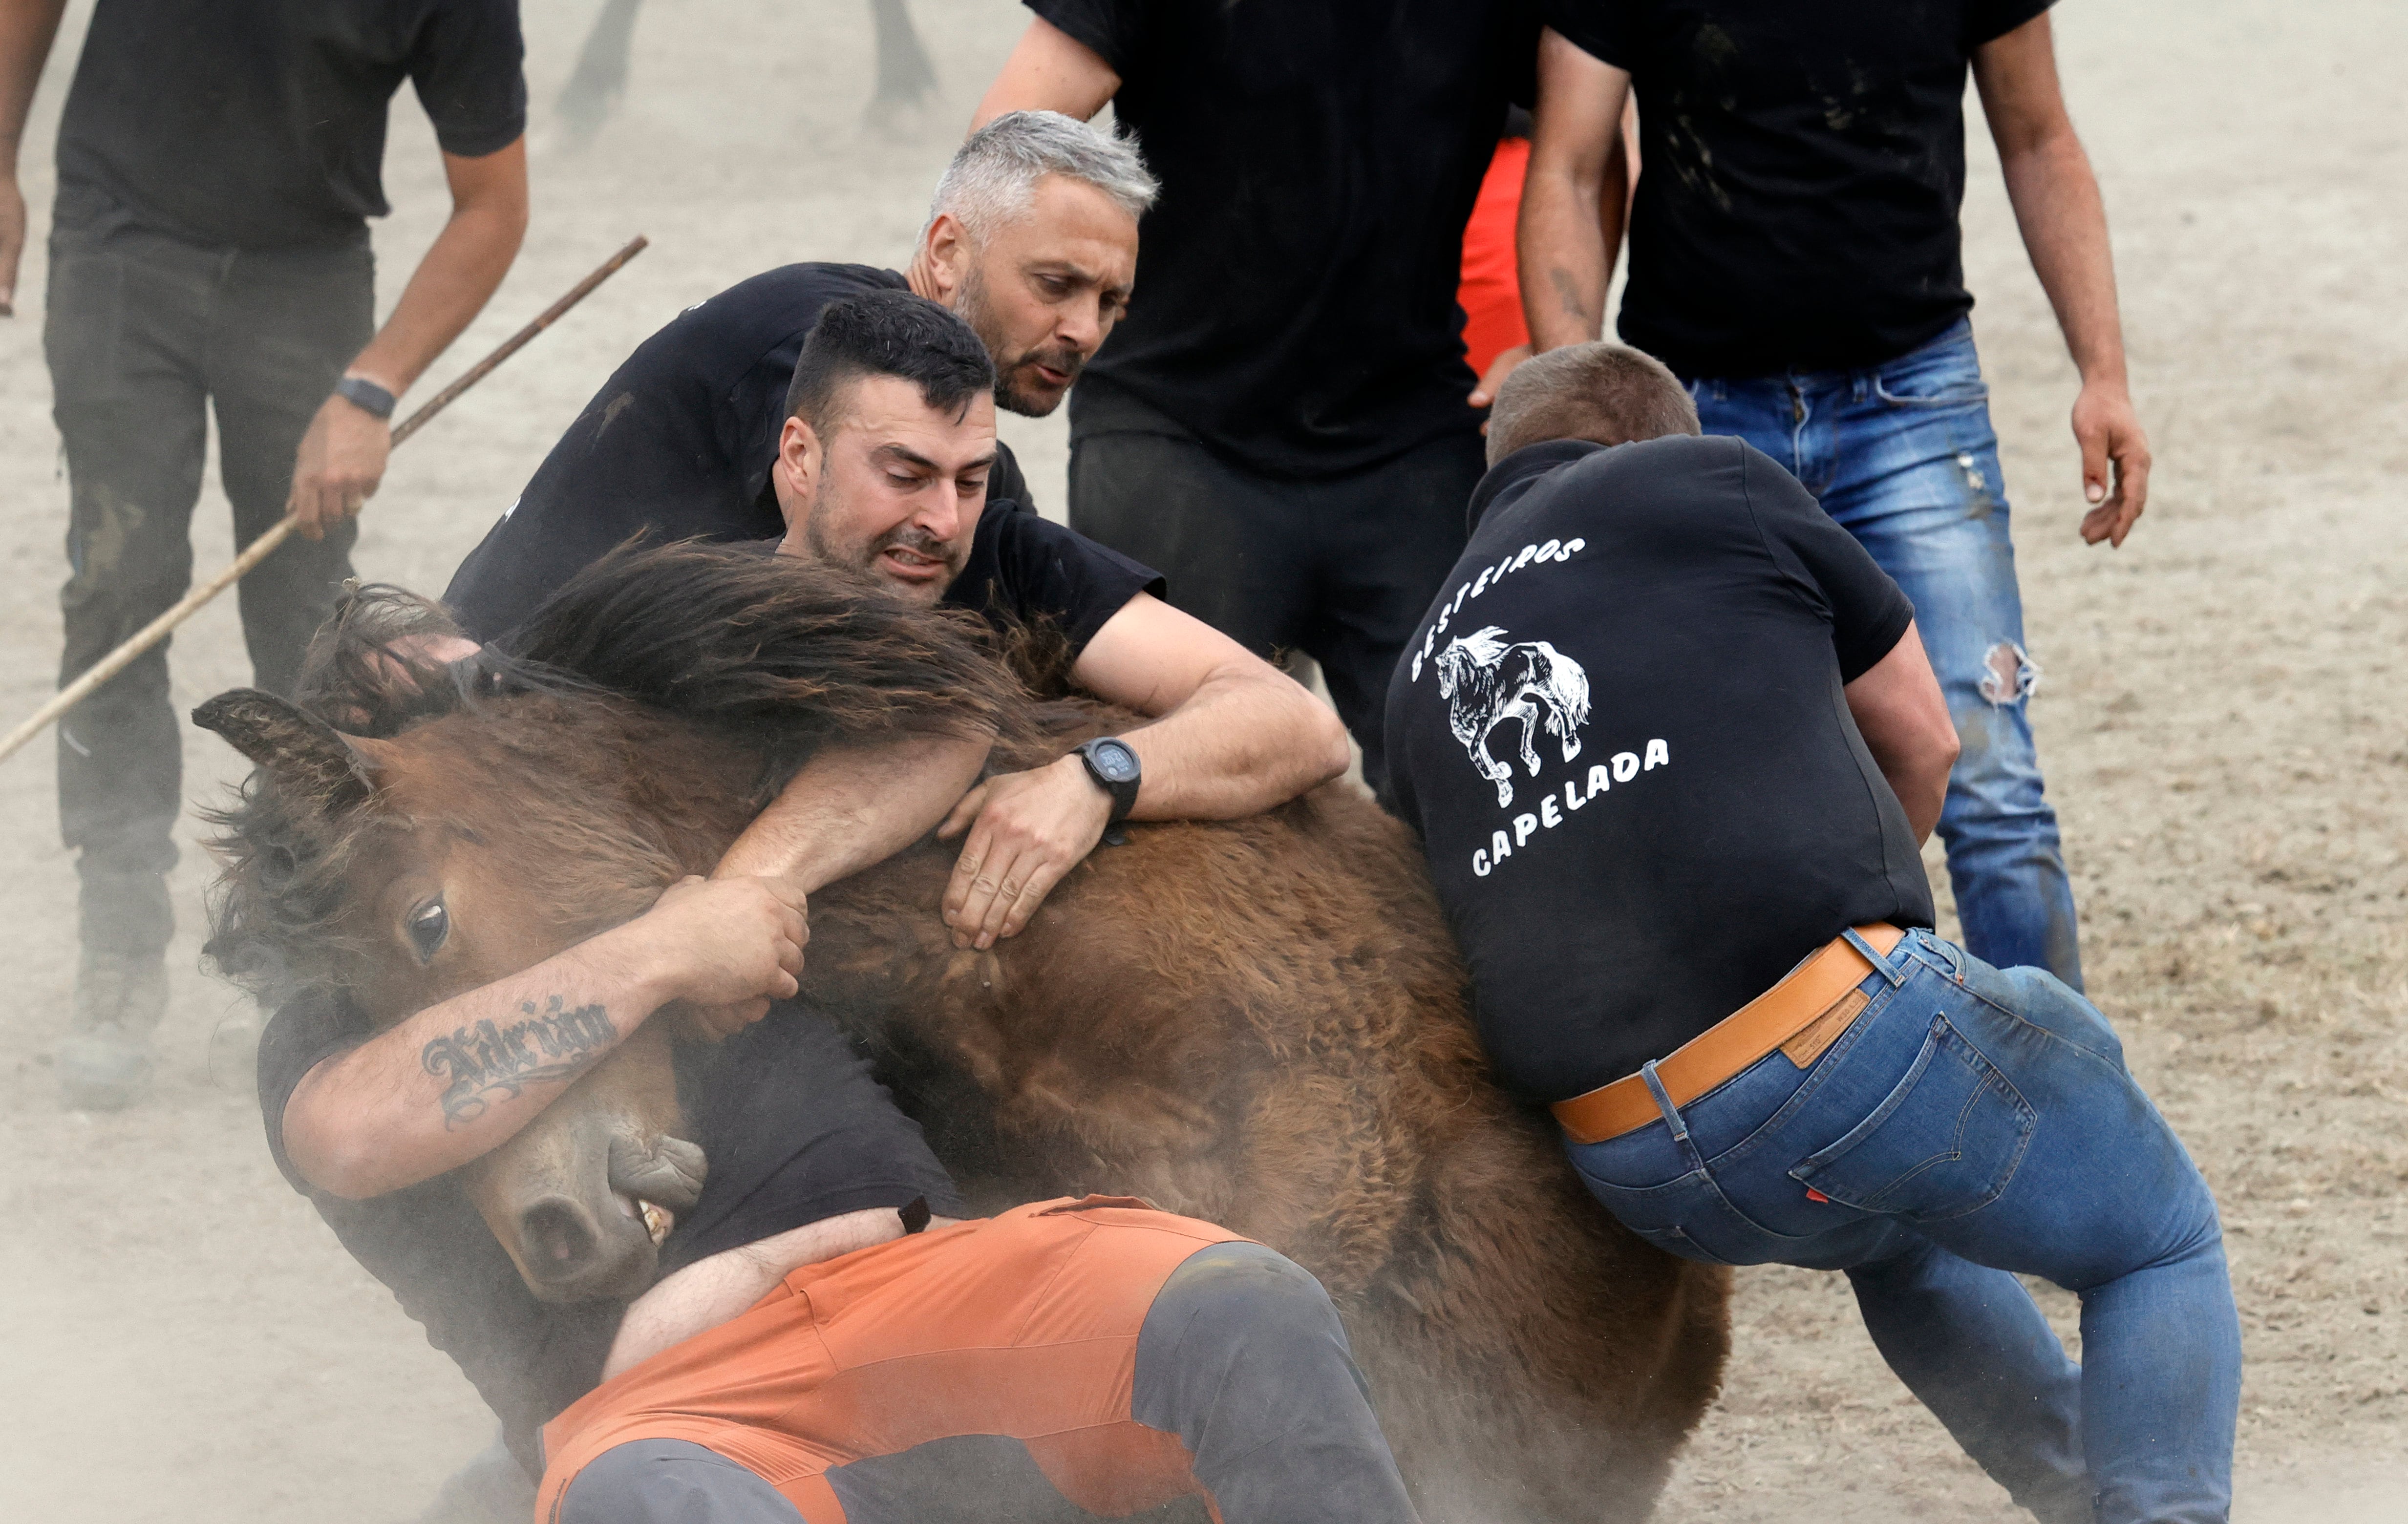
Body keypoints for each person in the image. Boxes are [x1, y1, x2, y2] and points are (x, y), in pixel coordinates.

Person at [1383, 345, 2237, 1524]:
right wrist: (1866, 948)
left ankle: (2077, 1499)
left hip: (1635, 1165)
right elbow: (1923, 739)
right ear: (1654, 434)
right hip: (1830, 1047)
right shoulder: (1707, 479)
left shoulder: (1415, 664)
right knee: (2155, 1238)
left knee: (1904, 1241)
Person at [1517, 4, 2153, 990]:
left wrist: (2101, 373)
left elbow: (2037, 139)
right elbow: (1566, 162)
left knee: (1990, 787)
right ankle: (1755, 1092)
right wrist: (1573, 417)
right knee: (1695, 782)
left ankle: (2050, 1103)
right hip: (1695, 411)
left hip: (1910, 398)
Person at [452, 285, 1347, 955]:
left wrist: (1095, 778)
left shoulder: (1013, 561)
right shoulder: (684, 602)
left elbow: (1292, 723)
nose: (944, 522)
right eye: (905, 474)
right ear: (798, 457)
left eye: (971, 477)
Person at [0, 0, 531, 1108]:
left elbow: (491, 207)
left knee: (307, 629)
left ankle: (304, 950)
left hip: (306, 280)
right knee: (118, 587)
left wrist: (371, 387)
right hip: (118, 247)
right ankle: (119, 941)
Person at [968, 1, 1540, 792]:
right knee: (1164, 792)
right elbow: (1003, 145)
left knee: (1489, 789)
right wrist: (1073, 294)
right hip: (1174, 429)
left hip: (1411, 431)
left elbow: (1590, 135)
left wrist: (1558, 336)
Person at [444, 107, 1148, 641]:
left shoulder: (956, 454)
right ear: (945, 253)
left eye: (1110, 302)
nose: (1085, 331)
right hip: (479, 734)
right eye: (1055, 284)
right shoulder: (814, 350)